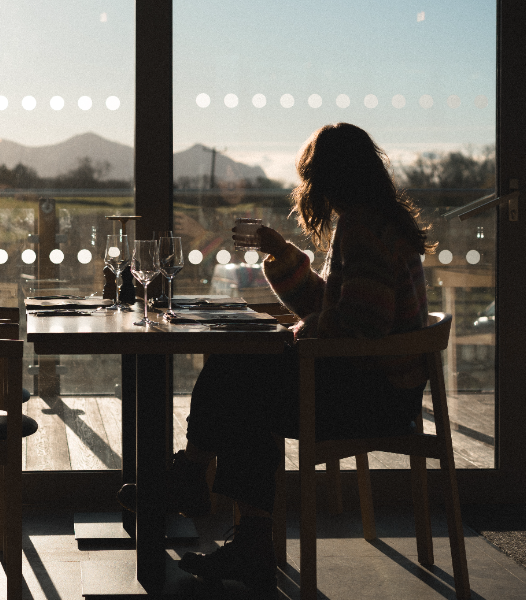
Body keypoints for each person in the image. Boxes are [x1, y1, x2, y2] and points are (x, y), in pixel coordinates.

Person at [118, 123, 436, 597]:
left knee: (237, 375)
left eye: (310, 178)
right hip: (383, 389)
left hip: (375, 399)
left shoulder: (362, 227)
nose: (308, 189)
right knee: (243, 375)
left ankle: (194, 482)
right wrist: (284, 255)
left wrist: (293, 334)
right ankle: (231, 523)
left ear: (327, 178)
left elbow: (363, 322)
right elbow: (339, 310)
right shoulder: (376, 220)